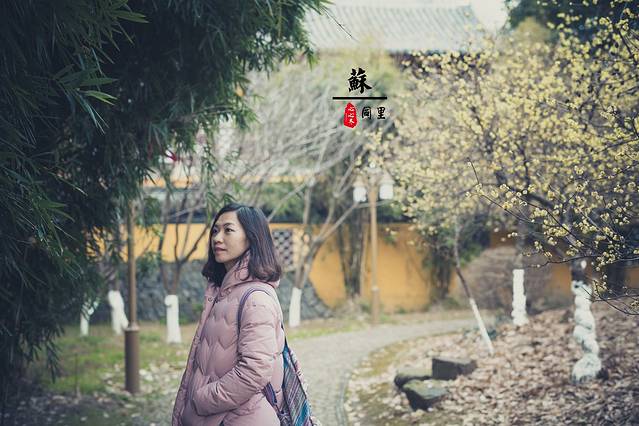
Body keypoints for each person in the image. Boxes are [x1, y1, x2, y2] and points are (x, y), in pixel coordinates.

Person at [172, 203, 285, 426]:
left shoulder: (256, 299)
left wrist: (202, 400)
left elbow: (254, 371)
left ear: (251, 237)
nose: (217, 238)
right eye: (215, 230)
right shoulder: (222, 292)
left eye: (228, 230)